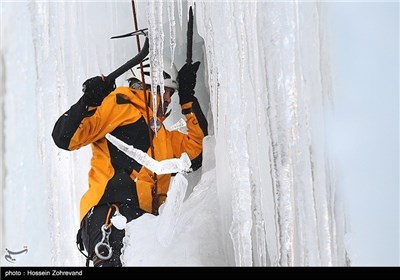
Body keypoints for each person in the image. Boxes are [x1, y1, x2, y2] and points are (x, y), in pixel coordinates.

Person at [51, 55, 207, 267]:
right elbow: (64, 138)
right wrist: (88, 102)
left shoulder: (162, 135)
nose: (170, 100)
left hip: (142, 224)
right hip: (109, 214)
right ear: (152, 85)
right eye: (168, 92)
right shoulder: (118, 104)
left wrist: (188, 100)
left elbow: (196, 154)